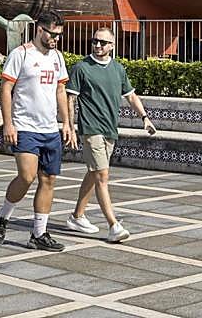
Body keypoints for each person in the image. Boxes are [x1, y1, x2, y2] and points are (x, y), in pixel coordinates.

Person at [0, 11, 76, 252]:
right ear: (40, 29)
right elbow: (6, 89)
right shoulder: (21, 54)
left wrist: (67, 123)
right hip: (25, 126)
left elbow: (60, 91)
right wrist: (8, 123)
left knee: (48, 180)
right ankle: (3, 216)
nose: (56, 39)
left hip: (50, 128)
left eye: (59, 35)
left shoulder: (57, 57)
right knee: (27, 176)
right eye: (52, 34)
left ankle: (39, 233)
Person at [64, 28, 155, 243]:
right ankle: (114, 225)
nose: (97, 45)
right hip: (91, 129)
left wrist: (144, 118)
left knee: (94, 173)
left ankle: (77, 216)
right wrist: (70, 127)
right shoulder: (81, 68)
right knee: (102, 176)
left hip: (110, 129)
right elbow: (70, 99)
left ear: (112, 46)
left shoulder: (118, 69)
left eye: (103, 42)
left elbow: (131, 96)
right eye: (95, 41)